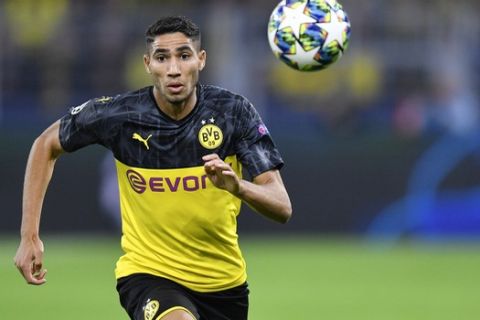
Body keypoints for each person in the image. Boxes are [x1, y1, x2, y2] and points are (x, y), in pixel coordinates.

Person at [14, 16, 292, 320]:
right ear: (148, 64)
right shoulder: (120, 115)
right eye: (162, 57)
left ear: (200, 60)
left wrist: (239, 187)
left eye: (183, 56)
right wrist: (30, 236)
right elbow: (45, 145)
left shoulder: (234, 113)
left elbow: (281, 206)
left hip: (225, 286)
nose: (173, 69)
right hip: (148, 274)